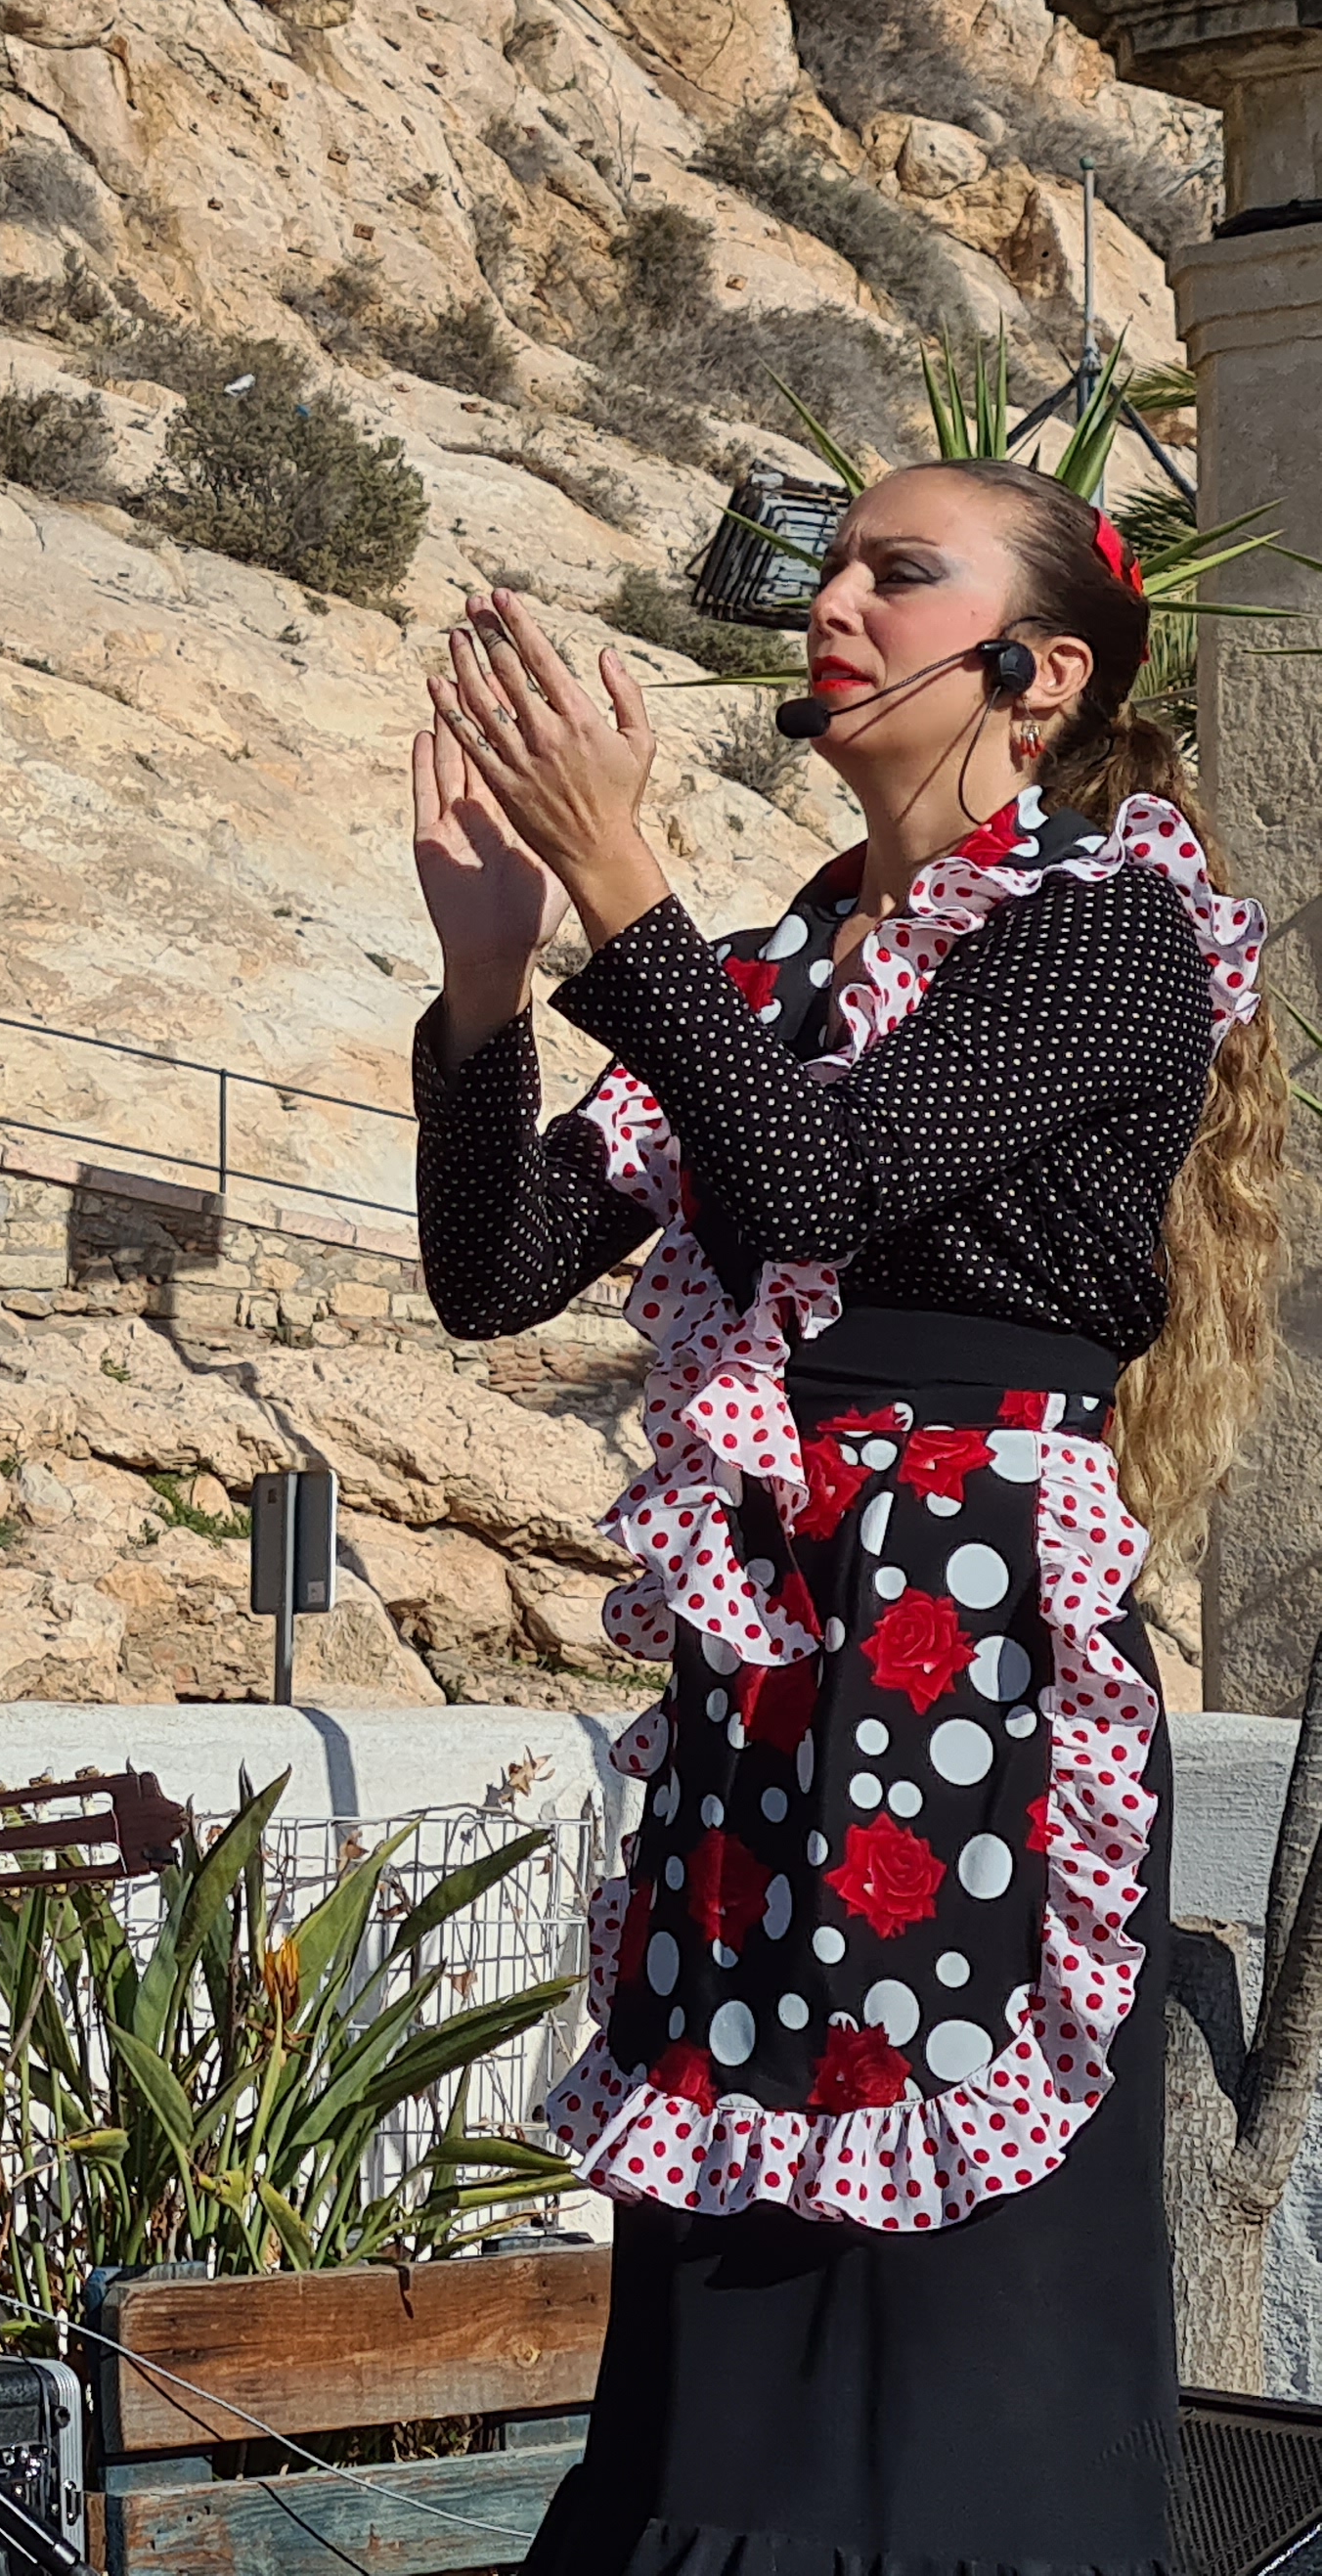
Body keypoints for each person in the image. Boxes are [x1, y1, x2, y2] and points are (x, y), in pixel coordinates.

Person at [406, 478, 1277, 2576]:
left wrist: (622, 878)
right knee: (729, 2236)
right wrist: (486, 976)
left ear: (1037, 675)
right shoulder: (778, 963)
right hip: (778, 1649)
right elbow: (495, 1266)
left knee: (939, 2276)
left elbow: (819, 1187)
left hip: (964, 1643)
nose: (838, 601)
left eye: (902, 573)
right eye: (835, 565)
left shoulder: (1107, 929)